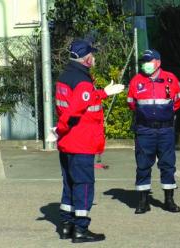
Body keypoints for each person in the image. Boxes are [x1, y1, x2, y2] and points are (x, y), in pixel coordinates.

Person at [54, 39, 124, 243]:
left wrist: (103, 93)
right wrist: (60, 129)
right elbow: (73, 111)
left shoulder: (66, 76)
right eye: (92, 55)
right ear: (85, 58)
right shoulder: (82, 81)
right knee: (84, 185)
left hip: (68, 142)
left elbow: (82, 100)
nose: (94, 57)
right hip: (80, 141)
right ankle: (81, 230)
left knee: (69, 183)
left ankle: (66, 225)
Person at [127, 49, 180, 214]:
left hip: (166, 129)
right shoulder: (136, 81)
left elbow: (179, 100)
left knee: (167, 164)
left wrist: (164, 114)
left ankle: (169, 200)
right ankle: (143, 202)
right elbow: (131, 103)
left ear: (158, 62)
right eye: (144, 61)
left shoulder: (170, 79)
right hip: (144, 129)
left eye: (149, 61)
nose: (145, 64)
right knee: (143, 165)